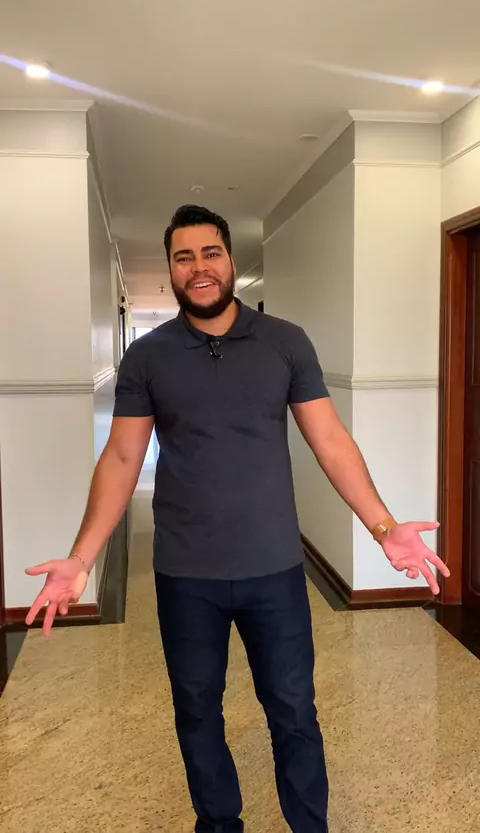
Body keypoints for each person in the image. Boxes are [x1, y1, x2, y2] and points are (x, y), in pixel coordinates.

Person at [26, 204, 450, 833]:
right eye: (183, 257)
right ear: (171, 269)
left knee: (293, 711)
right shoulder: (147, 356)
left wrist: (384, 529)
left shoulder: (286, 341)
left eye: (210, 253)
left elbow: (330, 441)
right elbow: (121, 458)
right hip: (184, 573)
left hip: (274, 568)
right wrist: (81, 557)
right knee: (197, 711)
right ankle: (219, 824)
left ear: (229, 260)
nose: (199, 267)